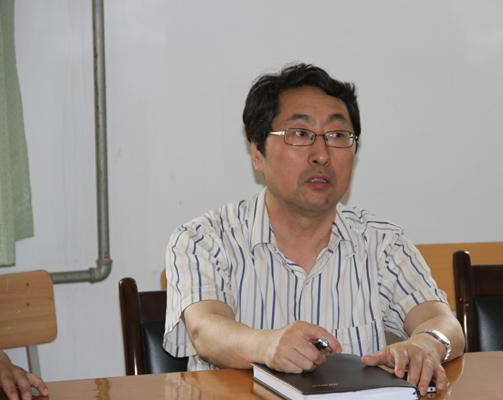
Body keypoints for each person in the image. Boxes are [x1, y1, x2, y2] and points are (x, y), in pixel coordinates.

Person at [163, 63, 465, 396]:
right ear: (258, 153)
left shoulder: (382, 243)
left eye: (337, 136)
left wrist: (426, 344)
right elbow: (205, 330)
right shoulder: (203, 240)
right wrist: (266, 345)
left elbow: (445, 323)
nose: (321, 155)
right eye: (299, 134)